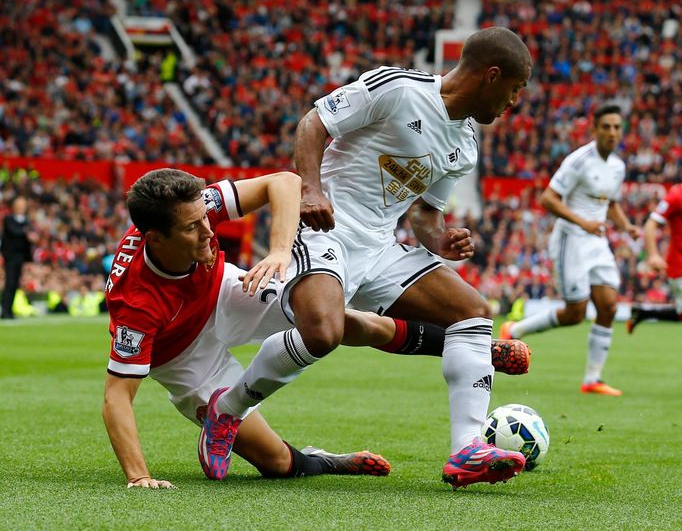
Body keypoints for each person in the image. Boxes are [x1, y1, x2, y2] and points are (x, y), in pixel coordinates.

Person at [200, 26, 533, 490]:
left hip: (379, 244)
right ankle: (227, 409)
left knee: (472, 313)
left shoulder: (465, 146)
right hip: (325, 226)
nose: (514, 101)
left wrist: (441, 240)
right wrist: (312, 189)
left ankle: (467, 449)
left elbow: (424, 214)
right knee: (323, 332)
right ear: (491, 75)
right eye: (515, 89)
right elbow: (314, 124)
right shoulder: (398, 88)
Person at [103, 168, 528, 488]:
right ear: (154, 239)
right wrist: (139, 477)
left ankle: (472, 347)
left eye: (205, 218)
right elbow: (117, 398)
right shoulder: (136, 306)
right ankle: (324, 460)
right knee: (274, 463)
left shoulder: (193, 208)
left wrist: (278, 252)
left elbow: (285, 182)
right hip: (181, 355)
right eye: (193, 228)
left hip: (223, 292)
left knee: (329, 323)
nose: (208, 230)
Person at [500, 105, 641, 396]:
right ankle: (514, 331)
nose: (612, 132)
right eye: (606, 127)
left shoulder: (617, 166)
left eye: (617, 127)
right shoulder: (579, 161)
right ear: (595, 129)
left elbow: (610, 204)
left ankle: (592, 380)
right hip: (571, 239)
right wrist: (583, 222)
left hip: (596, 241)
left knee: (608, 307)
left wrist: (627, 227)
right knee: (575, 313)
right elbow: (548, 198)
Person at [627, 183, 682, 331]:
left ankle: (643, 313)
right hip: (679, 265)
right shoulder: (677, 194)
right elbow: (650, 224)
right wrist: (653, 255)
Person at [1, 196, 37, 319]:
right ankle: (5, 311)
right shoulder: (9, 219)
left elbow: (30, 235)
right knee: (9, 282)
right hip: (11, 256)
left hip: (21, 256)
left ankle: (9, 311)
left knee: (16, 283)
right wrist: (27, 232)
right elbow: (14, 232)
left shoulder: (26, 221)